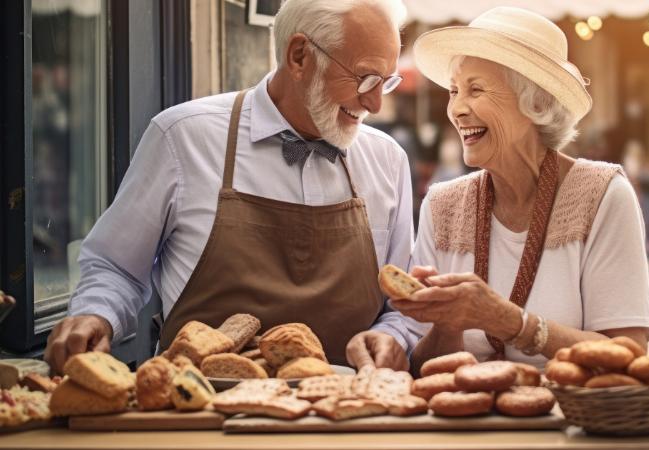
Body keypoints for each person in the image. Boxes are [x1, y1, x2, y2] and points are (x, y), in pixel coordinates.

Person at [45, 0, 416, 373]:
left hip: (347, 403)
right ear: (299, 56)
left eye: (387, 82)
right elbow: (117, 267)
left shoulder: (387, 161)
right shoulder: (183, 138)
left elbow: (401, 307)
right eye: (366, 78)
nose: (375, 104)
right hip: (198, 402)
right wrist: (95, 314)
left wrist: (393, 337)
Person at [391, 7, 649, 371]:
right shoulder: (442, 205)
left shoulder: (602, 194)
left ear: (535, 103)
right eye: (454, 91)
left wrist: (511, 322)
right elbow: (423, 368)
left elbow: (630, 355)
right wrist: (448, 322)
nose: (457, 109)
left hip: (567, 407)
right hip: (466, 407)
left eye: (476, 89)